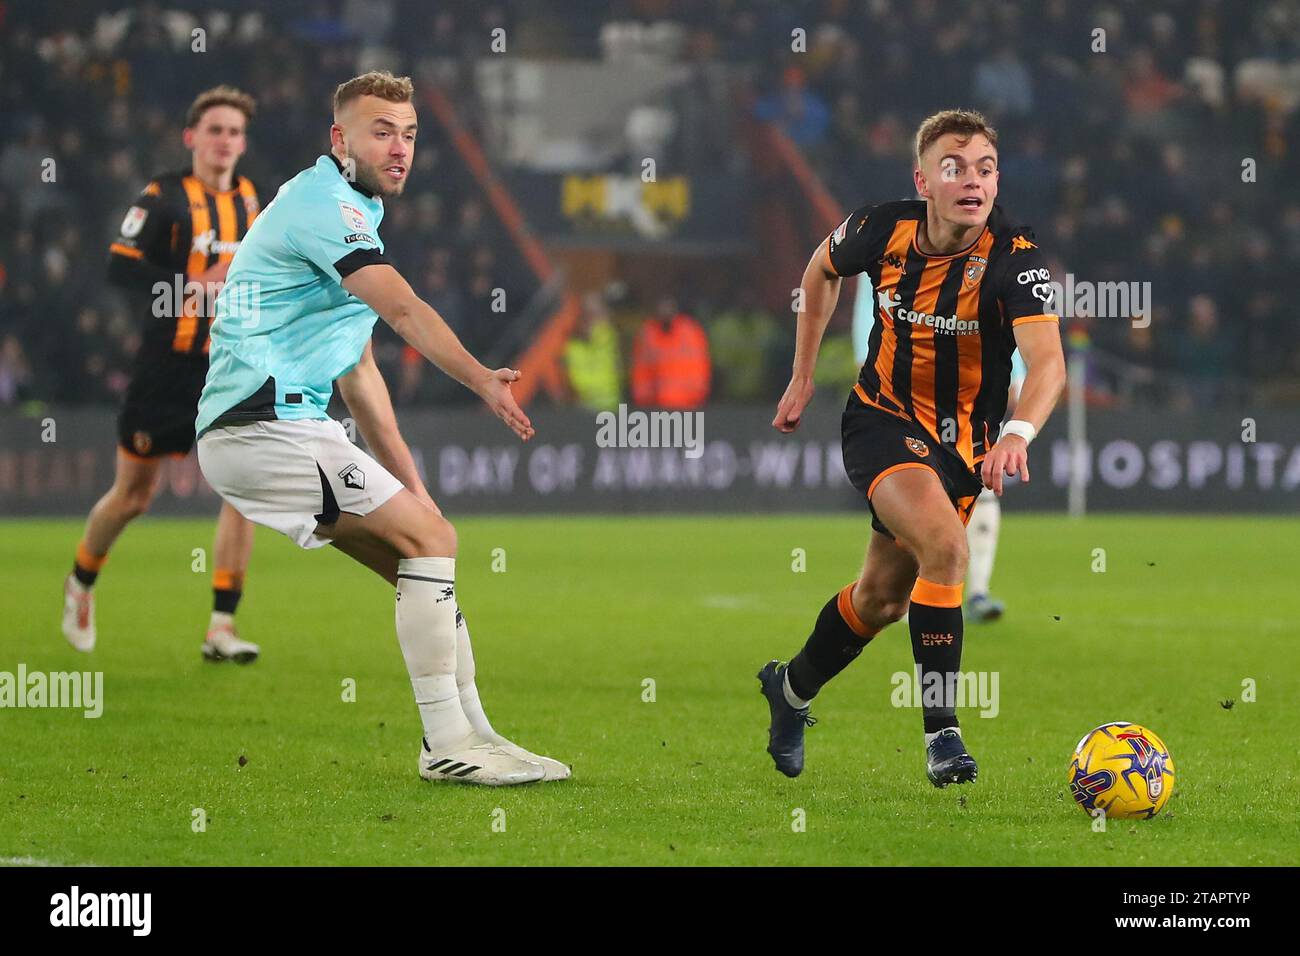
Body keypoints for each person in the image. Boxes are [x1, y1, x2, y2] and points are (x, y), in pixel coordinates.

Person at [195, 71, 567, 786]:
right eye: (381, 132)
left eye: (409, 135)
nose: (399, 149)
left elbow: (360, 374)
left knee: (422, 560)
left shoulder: (354, 214)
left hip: (287, 427)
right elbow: (403, 311)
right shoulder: (323, 204)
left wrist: (413, 486)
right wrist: (484, 378)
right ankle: (445, 747)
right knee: (433, 544)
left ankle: (476, 734)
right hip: (259, 425)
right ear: (340, 139)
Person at [761, 109, 1066, 787]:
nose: (973, 180)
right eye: (954, 167)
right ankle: (942, 734)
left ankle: (788, 691)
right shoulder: (880, 227)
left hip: (963, 448)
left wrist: (1017, 434)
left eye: (986, 167)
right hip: (881, 421)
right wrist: (803, 373)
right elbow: (820, 271)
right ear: (922, 179)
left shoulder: (1016, 259)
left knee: (881, 600)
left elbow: (1049, 364)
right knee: (948, 550)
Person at [63, 86, 263, 664]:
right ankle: (81, 580)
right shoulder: (163, 196)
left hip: (228, 367)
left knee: (242, 489)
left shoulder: (253, 202)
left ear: (243, 143)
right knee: (133, 497)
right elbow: (118, 266)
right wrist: (189, 284)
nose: (225, 141)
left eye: (234, 132)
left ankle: (221, 626)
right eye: (215, 130)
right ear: (191, 137)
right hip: (164, 369)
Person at [964, 351, 1027, 623]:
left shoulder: (999, 318)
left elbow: (1018, 389)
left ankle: (978, 593)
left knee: (984, 496)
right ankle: (909, 598)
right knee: (922, 507)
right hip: (925, 426)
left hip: (980, 431)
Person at [630, 296, 710, 409]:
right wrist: (644, 399)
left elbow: (701, 367)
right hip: (656, 405)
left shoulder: (690, 331)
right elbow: (641, 370)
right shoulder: (648, 333)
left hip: (689, 403)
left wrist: (698, 395)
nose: (665, 311)